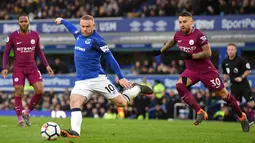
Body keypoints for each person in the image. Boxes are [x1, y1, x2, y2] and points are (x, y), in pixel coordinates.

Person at [55, 15, 153, 138]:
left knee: (121, 103)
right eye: (83, 26)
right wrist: (62, 21)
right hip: (81, 81)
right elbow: (71, 27)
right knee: (74, 102)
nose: (84, 29)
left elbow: (109, 57)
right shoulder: (78, 33)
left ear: (94, 26)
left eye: (88, 27)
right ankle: (75, 132)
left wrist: (121, 77)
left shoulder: (97, 40)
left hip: (98, 79)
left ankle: (137, 88)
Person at [152, 11, 250, 132]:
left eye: (185, 22)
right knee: (179, 85)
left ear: (191, 22)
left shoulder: (199, 35)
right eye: (180, 22)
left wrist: (191, 56)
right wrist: (161, 50)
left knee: (224, 95)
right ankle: (200, 111)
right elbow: (172, 41)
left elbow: (208, 53)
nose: (182, 24)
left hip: (207, 71)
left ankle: (242, 116)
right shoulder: (178, 35)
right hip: (191, 71)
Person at [1, 13, 54, 127]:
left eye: (26, 21)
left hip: (32, 67)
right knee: (18, 90)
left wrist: (47, 65)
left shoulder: (35, 35)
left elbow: (39, 51)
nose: (24, 23)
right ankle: (20, 118)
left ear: (29, 22)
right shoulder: (12, 36)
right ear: (18, 23)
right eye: (22, 21)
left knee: (40, 90)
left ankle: (27, 112)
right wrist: (4, 67)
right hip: (18, 68)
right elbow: (6, 53)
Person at [222, 43, 255, 125]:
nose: (230, 51)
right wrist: (225, 82)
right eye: (229, 49)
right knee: (235, 105)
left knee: (251, 104)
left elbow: (249, 70)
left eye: (232, 49)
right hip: (234, 86)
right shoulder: (225, 62)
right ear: (227, 50)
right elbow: (225, 73)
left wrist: (241, 77)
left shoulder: (241, 60)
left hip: (244, 85)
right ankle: (246, 119)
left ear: (235, 51)